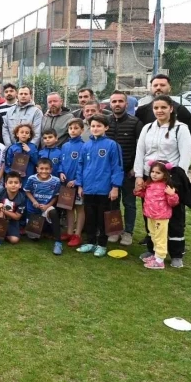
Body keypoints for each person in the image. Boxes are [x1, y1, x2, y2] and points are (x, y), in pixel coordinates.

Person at [134, 94, 191, 268]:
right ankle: (154, 250)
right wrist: (139, 176)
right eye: (156, 108)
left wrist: (176, 180)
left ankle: (176, 253)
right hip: (149, 178)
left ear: (171, 108)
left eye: (163, 107)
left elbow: (185, 156)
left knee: (174, 217)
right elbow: (140, 153)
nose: (159, 111)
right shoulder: (147, 129)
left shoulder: (180, 129)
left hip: (171, 179)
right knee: (151, 214)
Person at [75, 115, 124, 258]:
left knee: (103, 218)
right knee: (90, 217)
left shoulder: (112, 145)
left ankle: (102, 244)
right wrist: (80, 185)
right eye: (93, 126)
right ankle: (90, 242)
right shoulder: (86, 145)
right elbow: (80, 166)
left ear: (106, 128)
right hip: (88, 188)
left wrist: (115, 187)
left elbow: (117, 167)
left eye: (99, 126)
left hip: (105, 189)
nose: (95, 129)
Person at [106, 91, 143, 246]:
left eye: (120, 101)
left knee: (129, 203)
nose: (117, 104)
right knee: (112, 202)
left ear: (127, 104)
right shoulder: (106, 121)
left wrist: (135, 167)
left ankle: (128, 232)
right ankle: (115, 230)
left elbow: (141, 147)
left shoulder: (135, 122)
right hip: (109, 172)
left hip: (128, 171)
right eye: (114, 101)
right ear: (110, 104)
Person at [133, 160, 180, 270]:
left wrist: (172, 194)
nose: (154, 174)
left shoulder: (167, 187)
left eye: (158, 172)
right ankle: (156, 256)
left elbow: (173, 202)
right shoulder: (149, 184)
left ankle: (160, 260)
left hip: (161, 218)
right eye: (152, 171)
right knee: (153, 236)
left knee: (160, 238)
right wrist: (137, 190)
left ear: (165, 174)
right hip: (150, 216)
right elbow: (143, 195)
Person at [135, 74, 191, 144]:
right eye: (155, 85)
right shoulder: (142, 111)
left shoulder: (180, 110)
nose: (158, 88)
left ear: (170, 88)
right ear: (151, 88)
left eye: (162, 85)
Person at [24, 158, 63, 255]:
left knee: (53, 212)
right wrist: (34, 201)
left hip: (46, 208)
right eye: (41, 168)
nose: (44, 171)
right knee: (33, 237)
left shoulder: (56, 181)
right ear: (37, 169)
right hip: (33, 209)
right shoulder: (32, 179)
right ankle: (42, 230)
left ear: (51, 170)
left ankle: (58, 243)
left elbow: (56, 196)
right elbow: (27, 191)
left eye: (47, 169)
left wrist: (48, 205)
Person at [59, 119, 86, 247]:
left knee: (79, 209)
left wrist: (77, 181)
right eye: (70, 128)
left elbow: (85, 166)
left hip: (78, 183)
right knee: (69, 208)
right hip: (66, 184)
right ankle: (69, 232)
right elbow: (61, 162)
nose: (73, 131)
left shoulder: (84, 146)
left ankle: (78, 234)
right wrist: (60, 172)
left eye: (76, 128)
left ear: (82, 130)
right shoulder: (65, 146)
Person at [0, 172, 26, 246]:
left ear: (20, 185)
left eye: (16, 183)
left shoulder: (22, 198)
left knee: (14, 240)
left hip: (12, 220)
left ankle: (0, 232)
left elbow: (17, 216)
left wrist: (3, 210)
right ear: (5, 184)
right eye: (10, 182)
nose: (13, 185)